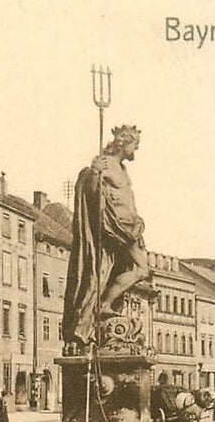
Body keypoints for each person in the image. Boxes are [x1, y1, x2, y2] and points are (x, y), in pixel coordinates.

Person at [62, 125, 150, 350]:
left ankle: (105, 303)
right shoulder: (104, 164)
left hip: (130, 228)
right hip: (114, 228)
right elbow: (91, 191)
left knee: (131, 270)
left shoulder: (121, 168)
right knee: (109, 273)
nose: (135, 151)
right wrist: (93, 174)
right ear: (124, 142)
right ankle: (101, 306)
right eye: (134, 146)